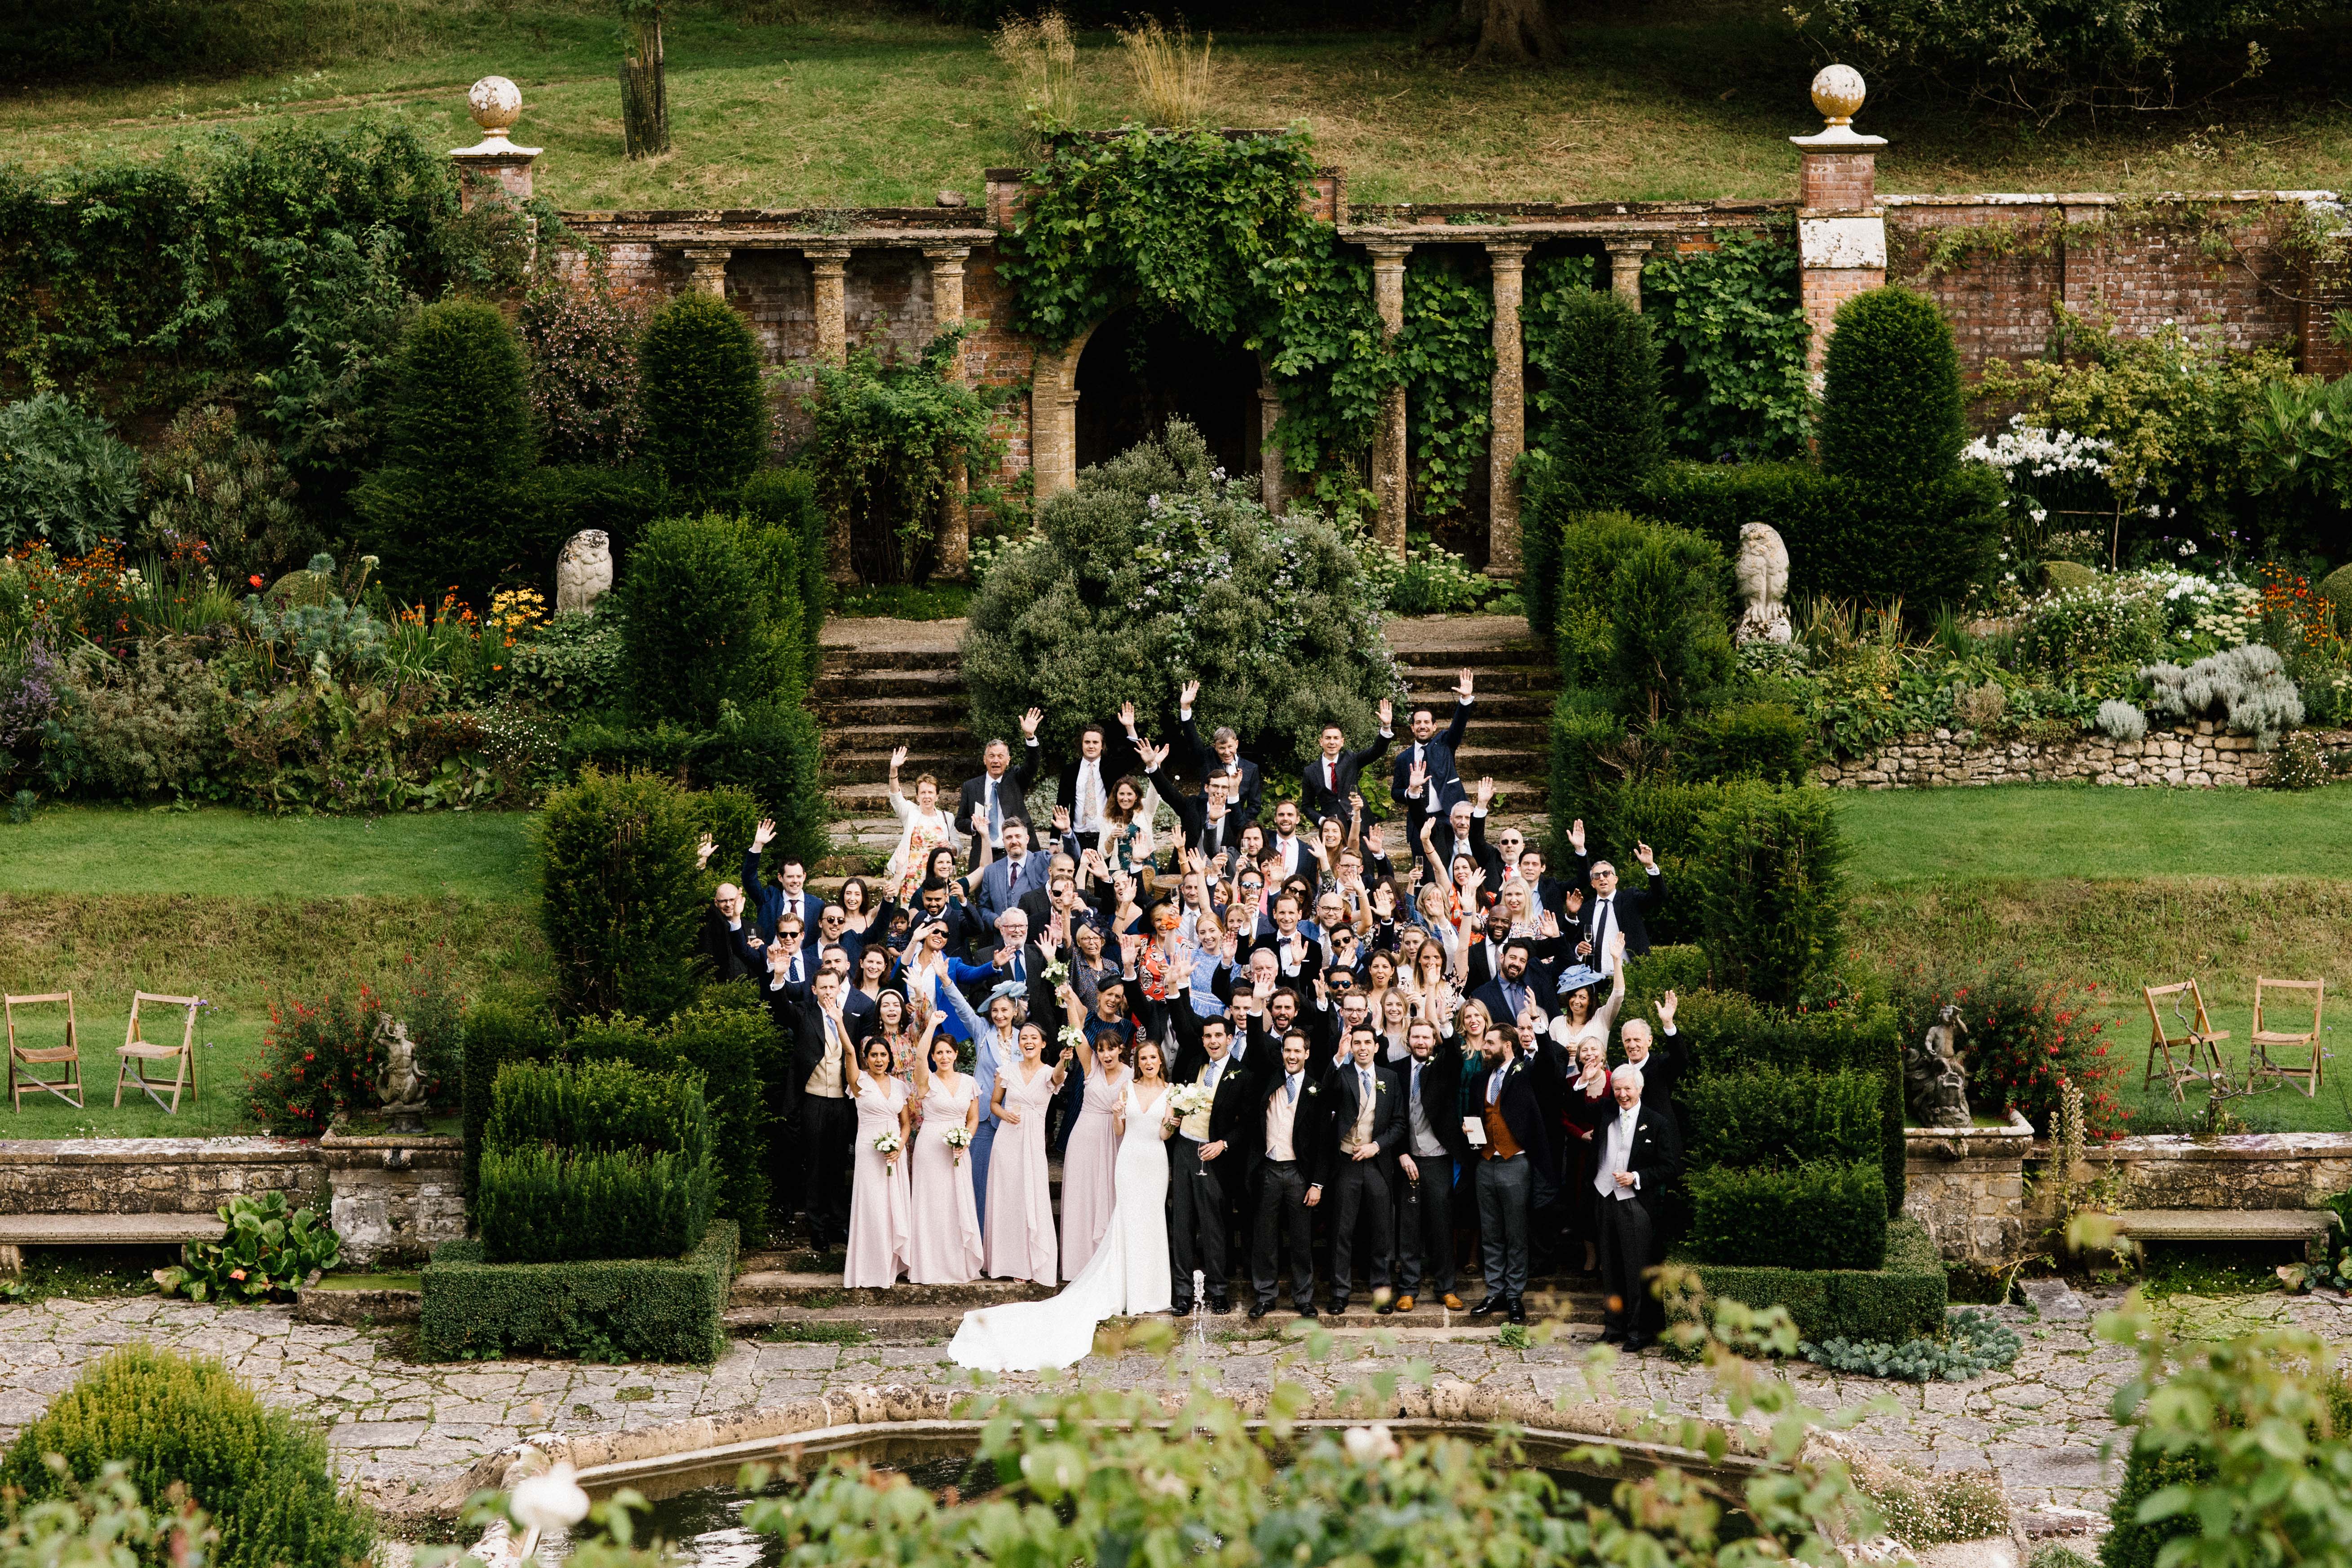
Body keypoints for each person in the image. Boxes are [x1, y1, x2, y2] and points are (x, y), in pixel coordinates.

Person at [948, 1035, 1175, 1371]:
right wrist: (1116, 1114)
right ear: (1138, 1062)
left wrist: (1175, 1120)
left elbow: (1166, 1134)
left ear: (1160, 1060)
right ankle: (1128, 1288)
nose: (1148, 1063)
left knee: (1152, 1221)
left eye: (1153, 1058)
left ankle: (1150, 1290)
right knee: (1127, 1220)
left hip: (1155, 1161)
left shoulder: (1172, 1092)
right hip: (1128, 1159)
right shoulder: (1129, 1087)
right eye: (1145, 1058)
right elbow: (1119, 1129)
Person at [1469, 999, 1561, 1325]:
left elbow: (1549, 1063)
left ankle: (1514, 1295)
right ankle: (1494, 1290)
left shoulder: (1526, 1072)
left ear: (1506, 1046)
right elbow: (1474, 1116)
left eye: (1490, 1043)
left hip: (1516, 1165)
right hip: (1485, 1164)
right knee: (1491, 1232)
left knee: (1516, 1233)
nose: (1484, 1048)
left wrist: (1537, 1022)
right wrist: (1475, 1141)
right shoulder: (1480, 1079)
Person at [1593, 1062, 1681, 1350]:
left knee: (1636, 1269)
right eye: (1617, 1089)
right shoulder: (1606, 1112)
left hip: (1635, 1203)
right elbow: (1574, 1104)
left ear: (1640, 1089)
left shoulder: (1657, 1122)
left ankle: (1640, 1332)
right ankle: (1614, 1326)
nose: (1622, 1094)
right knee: (1610, 1268)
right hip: (1605, 1198)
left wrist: (1637, 1177)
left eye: (1628, 1088)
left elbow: (1671, 1166)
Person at [1321, 1025, 1402, 1315]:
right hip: (1346, 1163)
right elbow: (1324, 1095)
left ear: (1377, 1046)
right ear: (1352, 1046)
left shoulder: (1391, 1078)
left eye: (1368, 1042)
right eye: (1358, 1043)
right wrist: (1338, 1058)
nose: (1364, 1047)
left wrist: (1377, 1146)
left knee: (1382, 1231)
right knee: (1342, 1230)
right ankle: (1340, 1293)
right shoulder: (1341, 1074)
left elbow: (1399, 1123)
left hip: (1377, 1163)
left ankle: (1382, 1293)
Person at [1247, 1030, 1326, 1320]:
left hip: (1298, 1173)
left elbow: (1322, 1143)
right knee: (1264, 1237)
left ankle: (1303, 1298)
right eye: (1287, 1050)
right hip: (1268, 1168)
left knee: (1301, 1239)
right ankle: (1265, 1297)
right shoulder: (1269, 1080)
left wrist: (1317, 1183)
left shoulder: (1316, 1089)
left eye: (1297, 1051)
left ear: (1307, 1054)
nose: (1292, 1056)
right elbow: (1256, 1045)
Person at [1393, 1018, 1471, 1313]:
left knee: (1441, 1225)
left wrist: (1446, 1027)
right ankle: (1408, 1289)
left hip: (1438, 1158)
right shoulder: (1396, 1071)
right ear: (1408, 1039)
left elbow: (1455, 1054)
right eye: (1417, 1036)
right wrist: (1401, 1153)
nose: (1422, 1041)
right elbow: (1391, 1116)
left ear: (1434, 1040)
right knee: (1409, 1226)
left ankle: (1446, 1288)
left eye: (1427, 1037)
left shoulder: (1443, 1065)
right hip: (1407, 1160)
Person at [1057, 982, 1131, 1281]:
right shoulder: (1090, 1068)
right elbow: (1077, 1031)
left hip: (1114, 1137)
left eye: (1111, 1049)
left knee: (1110, 1197)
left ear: (1121, 1049)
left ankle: (1108, 1265)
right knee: (1081, 1198)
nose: (1105, 1055)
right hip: (1085, 1138)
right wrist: (1068, 1002)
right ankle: (1077, 1265)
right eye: (1101, 1050)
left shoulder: (1131, 1076)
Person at [985, 1020, 1067, 1287]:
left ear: (1043, 1044)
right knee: (1007, 1198)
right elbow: (994, 1104)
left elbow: (1057, 1078)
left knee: (1032, 1197)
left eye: (1034, 1038)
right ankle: (1004, 1262)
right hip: (1007, 1140)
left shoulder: (1049, 1073)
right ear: (1019, 1044)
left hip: (1032, 1142)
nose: (1028, 1042)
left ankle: (1030, 1261)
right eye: (1024, 1038)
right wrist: (1004, 1114)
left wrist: (1064, 1059)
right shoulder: (1006, 1070)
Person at [907, 1023, 986, 1286]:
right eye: (938, 1053)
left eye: (948, 1052)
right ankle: (928, 1265)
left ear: (955, 1055)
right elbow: (918, 1056)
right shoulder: (926, 1081)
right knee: (931, 1204)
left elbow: (973, 1119)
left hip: (959, 1149)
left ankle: (957, 1264)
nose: (943, 1057)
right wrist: (931, 1025)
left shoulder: (969, 1083)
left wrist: (966, 1140)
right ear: (933, 1056)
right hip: (930, 1147)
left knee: (956, 1203)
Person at [792, 970, 859, 1252]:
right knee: (817, 1165)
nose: (829, 992)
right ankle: (817, 1228)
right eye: (823, 987)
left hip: (842, 1103)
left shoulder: (850, 1018)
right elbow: (780, 1004)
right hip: (815, 1100)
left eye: (833, 987)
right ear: (815, 989)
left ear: (839, 988)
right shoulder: (804, 1014)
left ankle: (838, 1224)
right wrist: (779, 976)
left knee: (837, 1164)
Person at [842, 1037, 911, 1288]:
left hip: (895, 1151)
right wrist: (839, 1020)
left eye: (883, 1055)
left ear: (889, 1058)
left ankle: (894, 1266)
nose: (879, 1060)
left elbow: (906, 1124)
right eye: (873, 1055)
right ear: (866, 1058)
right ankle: (869, 1269)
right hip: (869, 1150)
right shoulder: (859, 1082)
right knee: (872, 1207)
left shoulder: (900, 1086)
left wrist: (900, 1147)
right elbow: (849, 1051)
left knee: (894, 1206)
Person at [1567, 820, 1665, 975]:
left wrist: (1650, 867)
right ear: (1592, 884)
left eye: (1607, 874)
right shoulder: (1586, 908)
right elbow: (1573, 941)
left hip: (1629, 975)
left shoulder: (1630, 898)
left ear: (1615, 879)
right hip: (1594, 977)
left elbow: (1659, 897)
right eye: (1597, 876)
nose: (1602, 878)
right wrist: (1578, 949)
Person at [1391, 670, 1475, 839]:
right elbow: (1395, 792)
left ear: (1435, 726)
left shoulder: (1446, 744)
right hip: (1419, 822)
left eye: (1427, 722)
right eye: (1418, 723)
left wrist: (1465, 700)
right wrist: (1410, 792)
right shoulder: (1403, 758)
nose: (1423, 726)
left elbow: (1458, 726)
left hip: (1447, 818)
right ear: (1412, 728)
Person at [955, 714, 1043, 860]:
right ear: (985, 760)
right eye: (992, 756)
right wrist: (975, 825)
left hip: (1016, 853)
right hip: (984, 855)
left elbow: (1032, 766)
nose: (996, 761)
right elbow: (959, 821)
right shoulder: (971, 786)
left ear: (1008, 760)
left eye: (1001, 757)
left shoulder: (1015, 779)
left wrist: (1030, 736)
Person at [1179, 681, 1261, 830]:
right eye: (1222, 748)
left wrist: (1243, 825)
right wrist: (1186, 708)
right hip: (1206, 820)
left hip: (1235, 826)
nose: (1227, 752)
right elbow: (1193, 740)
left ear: (1237, 744)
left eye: (1230, 747)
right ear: (1215, 747)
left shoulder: (1251, 768)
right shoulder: (1207, 759)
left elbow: (1255, 805)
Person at [1298, 702, 1393, 830]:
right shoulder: (1310, 771)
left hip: (1362, 823)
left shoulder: (1351, 759)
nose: (1332, 742)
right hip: (1334, 829)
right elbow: (1307, 806)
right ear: (1321, 742)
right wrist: (1322, 821)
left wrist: (1386, 726)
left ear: (1342, 742)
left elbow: (1377, 751)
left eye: (1336, 738)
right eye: (1328, 738)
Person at [882, 748, 957, 905]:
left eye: (931, 792)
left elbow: (958, 847)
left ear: (937, 796)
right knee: (912, 914)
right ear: (917, 796)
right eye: (923, 793)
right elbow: (895, 797)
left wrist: (950, 846)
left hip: (938, 877)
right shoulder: (910, 811)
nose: (927, 796)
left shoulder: (947, 817)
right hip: (912, 876)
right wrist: (893, 770)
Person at [1056, 716, 1143, 844]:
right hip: (1078, 837)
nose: (1091, 746)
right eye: (1087, 742)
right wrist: (1054, 841)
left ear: (1102, 746)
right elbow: (1061, 804)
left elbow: (1134, 756)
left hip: (1107, 835)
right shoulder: (1070, 770)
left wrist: (1130, 727)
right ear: (1082, 744)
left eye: (1096, 742)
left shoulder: (1111, 766)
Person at [700, 882, 761, 983]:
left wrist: (761, 950)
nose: (728, 905)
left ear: (740, 901)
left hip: (752, 990)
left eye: (732, 900)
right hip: (722, 989)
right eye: (724, 901)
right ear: (716, 903)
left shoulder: (754, 929)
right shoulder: (709, 928)